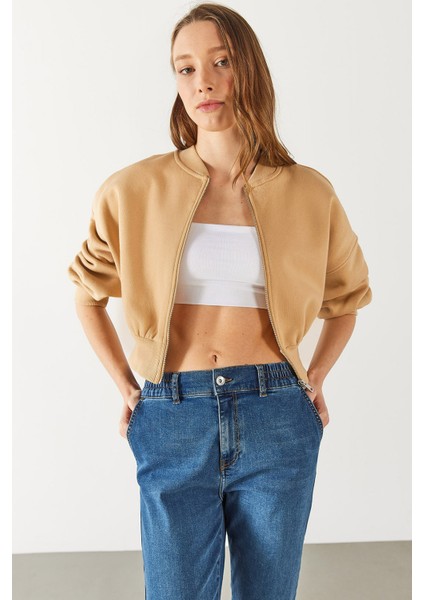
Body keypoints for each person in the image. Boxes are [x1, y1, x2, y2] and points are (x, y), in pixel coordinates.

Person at [68, 3, 372, 599]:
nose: (202, 81)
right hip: (172, 413)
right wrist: (128, 386)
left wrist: (313, 378)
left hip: (276, 412)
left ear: (248, 69)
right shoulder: (132, 189)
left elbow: (347, 300)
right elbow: (87, 294)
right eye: (185, 68)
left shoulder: (308, 191)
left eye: (220, 62)